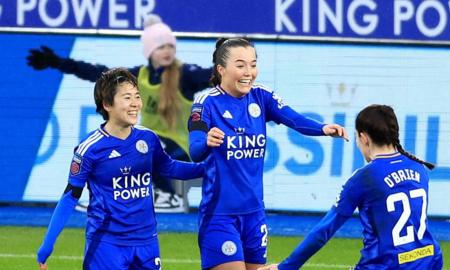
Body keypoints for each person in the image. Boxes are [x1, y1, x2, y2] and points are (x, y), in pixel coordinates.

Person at [188, 38, 349, 270]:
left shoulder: (261, 96)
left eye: (253, 64)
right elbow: (195, 151)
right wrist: (206, 142)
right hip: (220, 216)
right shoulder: (205, 103)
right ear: (221, 69)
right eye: (241, 65)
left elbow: (293, 118)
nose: (249, 72)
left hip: (255, 215)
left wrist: (322, 129)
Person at [26, 15, 211, 212]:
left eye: (170, 46)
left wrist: (233, 57)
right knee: (116, 148)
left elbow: (217, 75)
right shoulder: (140, 76)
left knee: (142, 144)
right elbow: (100, 74)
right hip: (151, 145)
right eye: (160, 47)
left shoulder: (186, 75)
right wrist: (58, 62)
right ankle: (105, 197)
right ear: (149, 51)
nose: (167, 51)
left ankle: (168, 195)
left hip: (181, 147)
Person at [36, 68, 204, 270]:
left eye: (137, 96)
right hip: (107, 244)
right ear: (107, 104)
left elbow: (170, 168)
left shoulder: (148, 138)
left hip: (147, 242)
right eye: (127, 98)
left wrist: (209, 168)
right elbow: (70, 197)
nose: (135, 104)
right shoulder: (90, 149)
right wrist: (47, 245)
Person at [259, 104, 443, 270]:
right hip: (429, 259)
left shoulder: (365, 177)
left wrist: (285, 267)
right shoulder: (418, 168)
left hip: (385, 265)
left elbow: (324, 230)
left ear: (363, 138)